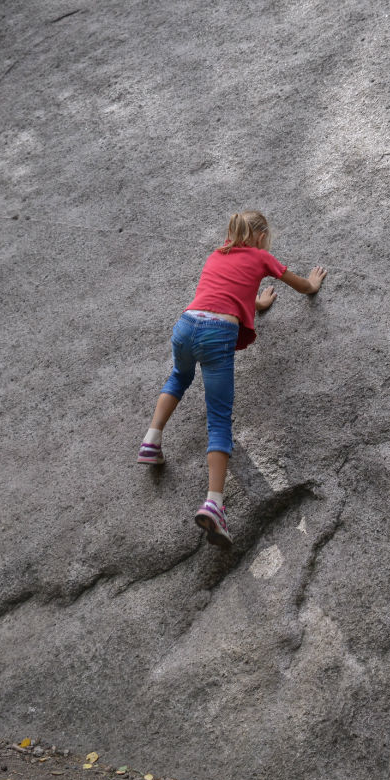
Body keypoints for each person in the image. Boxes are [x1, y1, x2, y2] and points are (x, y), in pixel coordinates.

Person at [138, 210, 327, 548]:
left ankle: (151, 441)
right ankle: (214, 504)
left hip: (186, 324)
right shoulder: (261, 256)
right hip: (216, 334)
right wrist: (312, 284)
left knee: (179, 377)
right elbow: (299, 285)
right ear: (260, 236)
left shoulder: (217, 254)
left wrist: (257, 304)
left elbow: (229, 290)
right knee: (220, 419)